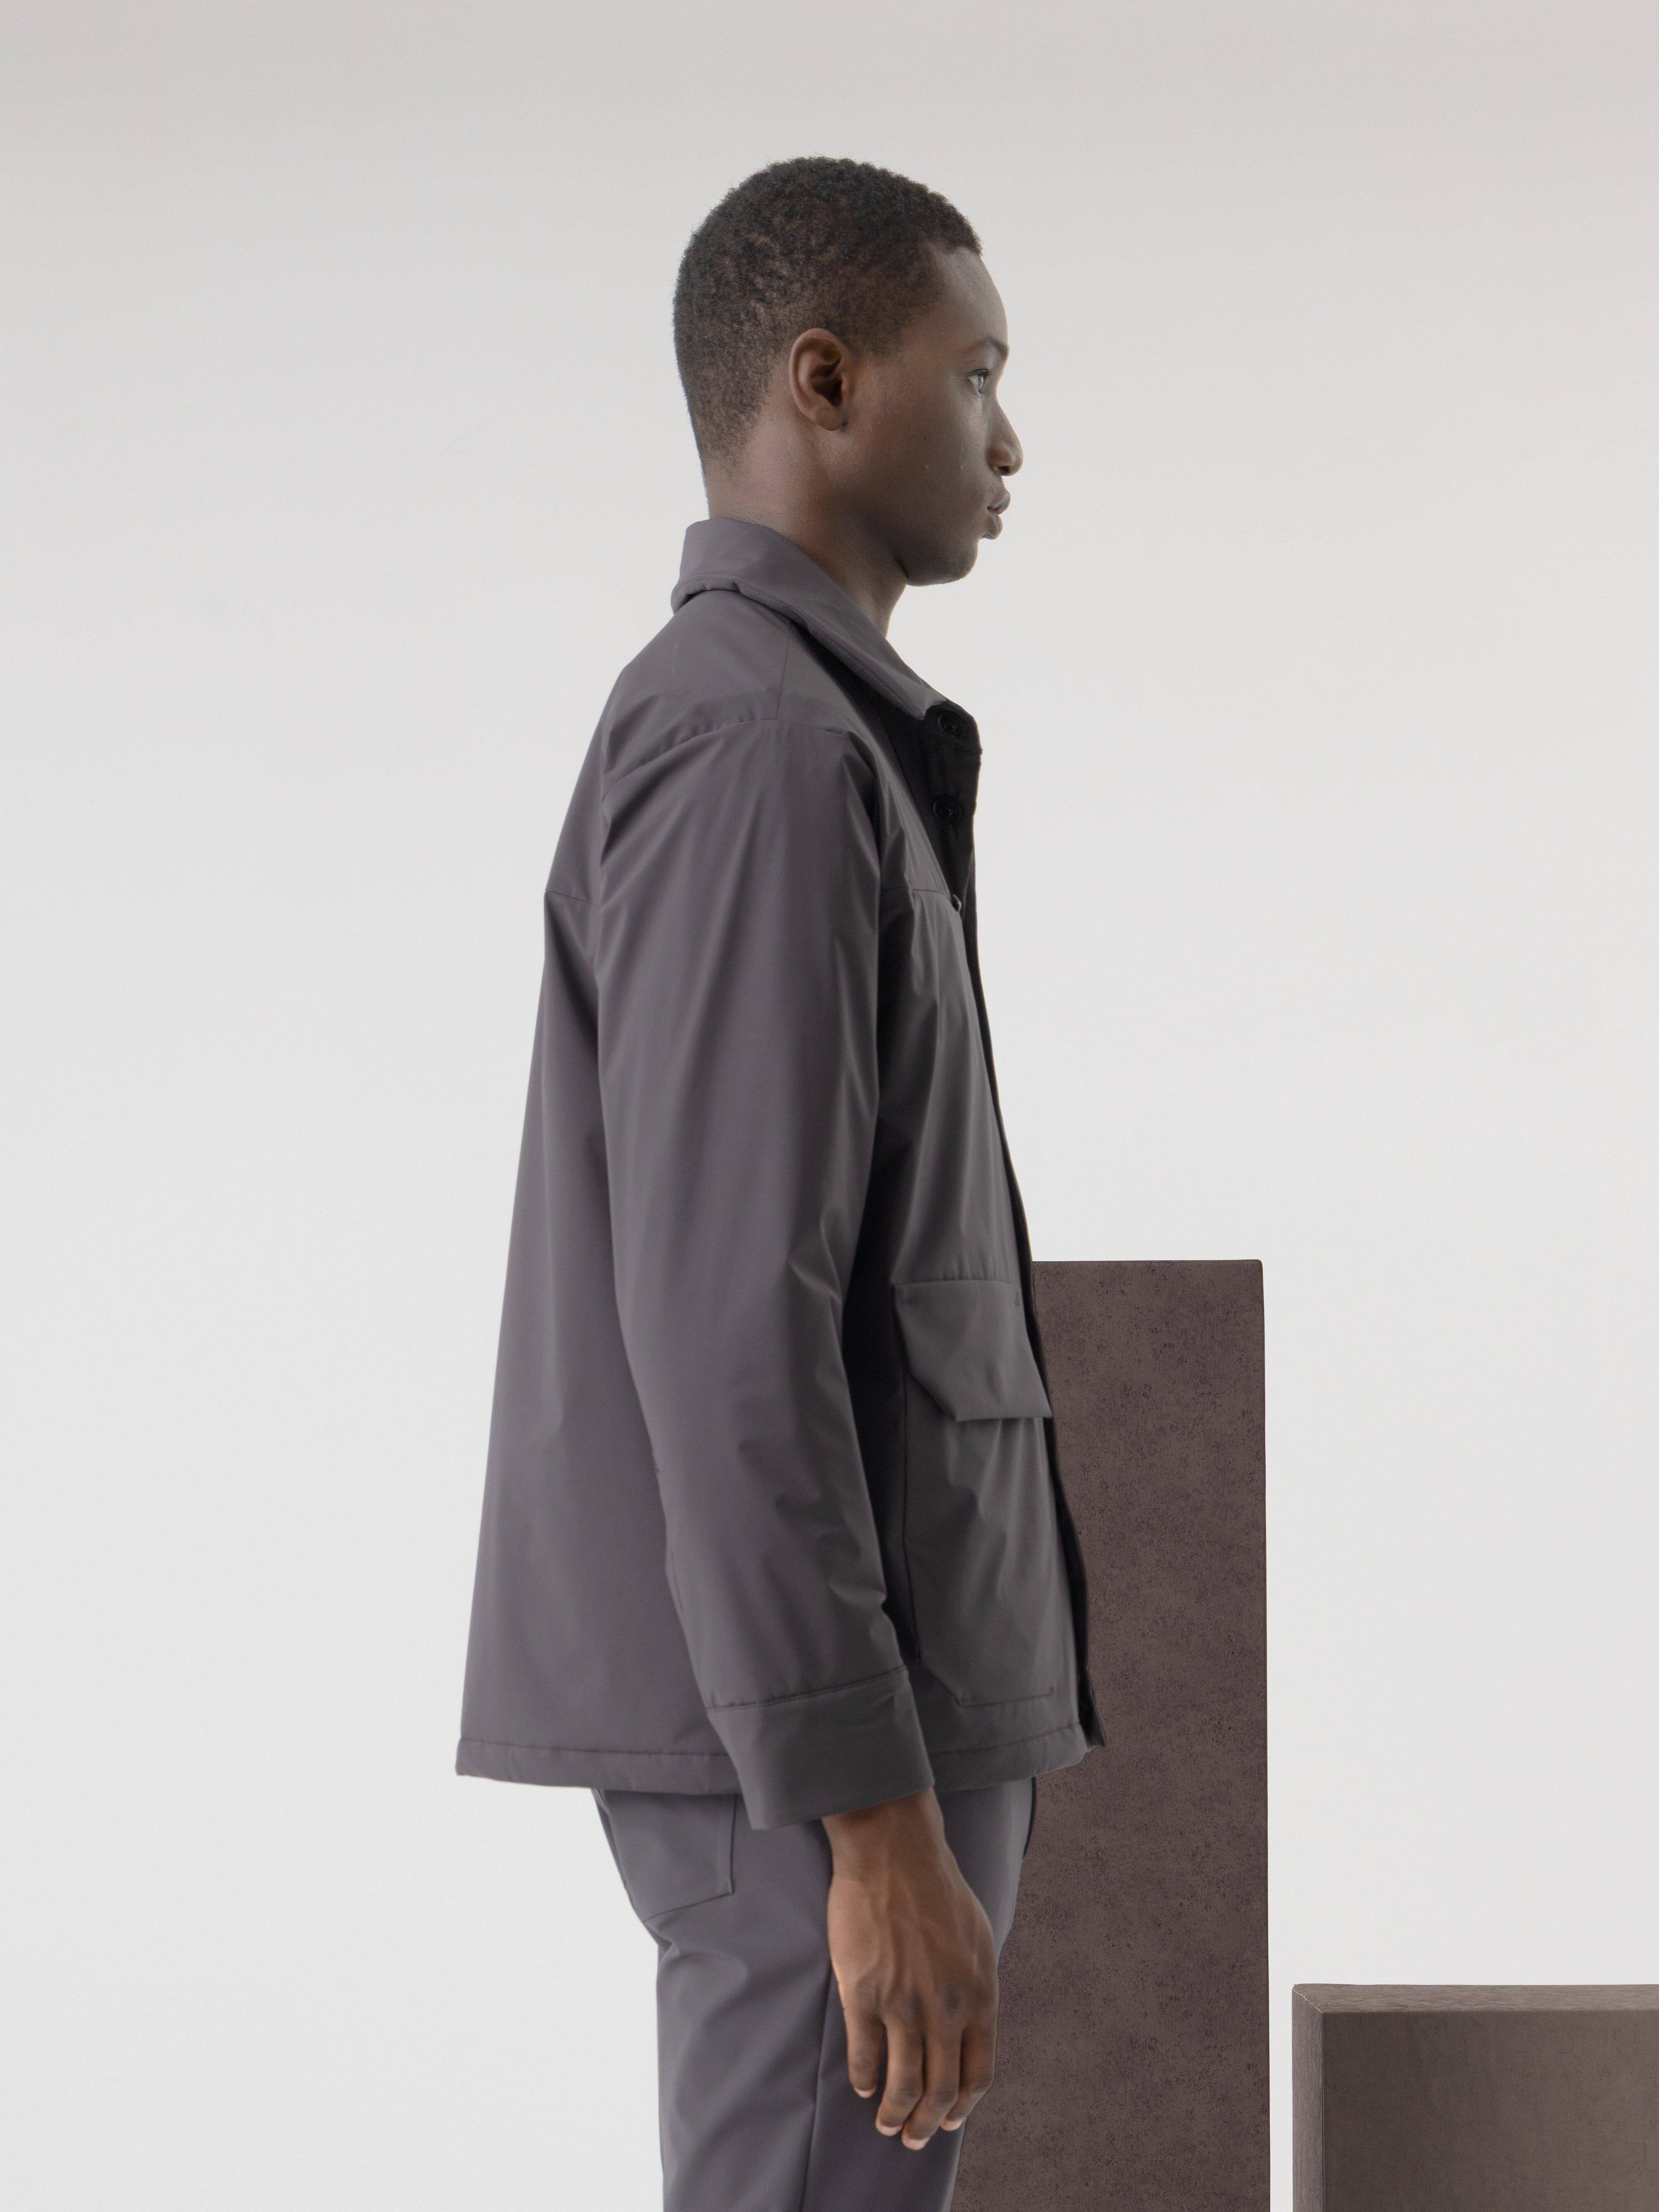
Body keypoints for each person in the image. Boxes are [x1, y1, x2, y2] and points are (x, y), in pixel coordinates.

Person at [456, 155, 1102, 2212]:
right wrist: (866, 1811)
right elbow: (735, 1318)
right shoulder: (760, 751)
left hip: (837, 1726)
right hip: (817, 1756)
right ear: (822, 382)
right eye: (974, 374)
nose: (1010, 437)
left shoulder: (801, 729)